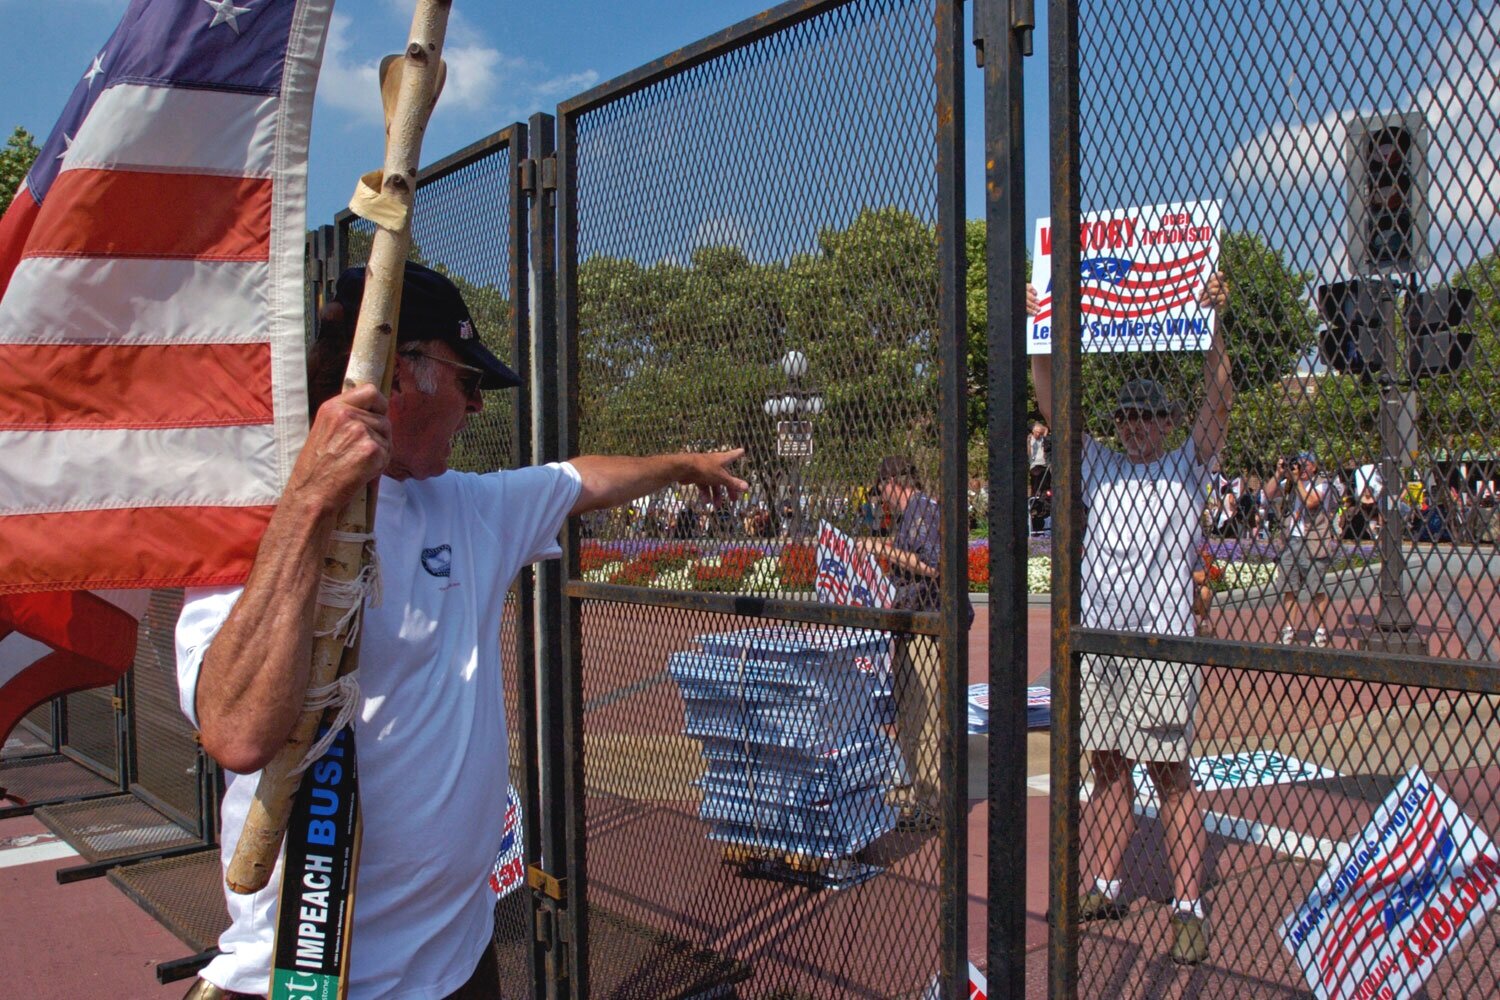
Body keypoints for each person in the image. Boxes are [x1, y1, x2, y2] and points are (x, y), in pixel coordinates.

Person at [175, 262, 746, 1000]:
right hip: (316, 973)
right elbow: (237, 732)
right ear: (397, 374)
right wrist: (311, 505)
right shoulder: (260, 518)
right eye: (468, 379)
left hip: (460, 957)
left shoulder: (466, 505)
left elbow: (583, 478)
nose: (478, 406)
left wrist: (682, 465)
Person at [1029, 273, 1229, 965]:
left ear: (1167, 422)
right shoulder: (1098, 466)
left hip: (1163, 646)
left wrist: (1215, 329)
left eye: (1147, 415)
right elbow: (1054, 406)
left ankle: (1189, 907)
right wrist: (1040, 336)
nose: (1136, 425)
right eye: (1127, 416)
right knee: (1108, 769)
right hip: (1102, 645)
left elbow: (1221, 405)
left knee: (1171, 777)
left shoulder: (1185, 467)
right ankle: (1106, 883)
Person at [855, 456, 969, 832]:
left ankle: (933, 802)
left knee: (926, 718)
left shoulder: (923, 510)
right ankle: (918, 792)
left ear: (891, 483)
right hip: (914, 624)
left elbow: (934, 565)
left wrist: (882, 550)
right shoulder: (911, 515)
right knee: (910, 714)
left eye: (881, 489)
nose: (881, 499)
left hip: (931, 626)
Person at [1263, 451, 1341, 647]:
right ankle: (1289, 628)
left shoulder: (1322, 483)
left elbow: (1311, 502)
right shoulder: (1288, 485)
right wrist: (1279, 473)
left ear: (1314, 467)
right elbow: (1266, 495)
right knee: (1289, 588)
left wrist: (1297, 480)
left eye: (1306, 465)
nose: (1302, 468)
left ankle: (1320, 630)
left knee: (1316, 588)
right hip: (1291, 541)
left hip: (1314, 542)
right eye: (1300, 464)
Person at [1027, 422, 1051, 499]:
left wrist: (1042, 430)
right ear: (1033, 431)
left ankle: (1045, 496)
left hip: (1043, 464)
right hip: (1035, 464)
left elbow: (1046, 429)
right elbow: (1029, 453)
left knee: (1046, 478)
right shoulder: (1030, 439)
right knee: (1036, 476)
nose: (1038, 434)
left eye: (1039, 432)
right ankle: (1034, 496)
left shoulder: (1043, 439)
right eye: (1036, 432)